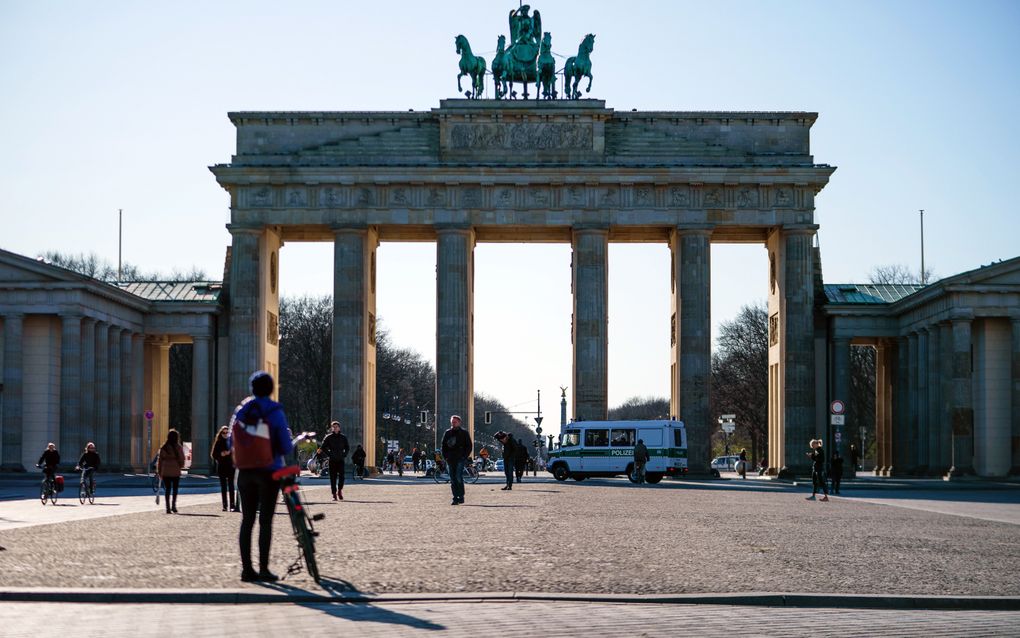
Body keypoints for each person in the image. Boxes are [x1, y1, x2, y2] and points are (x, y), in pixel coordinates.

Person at [229, 370, 294, 582]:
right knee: (266, 521)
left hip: (245, 472)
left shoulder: (241, 411)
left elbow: (231, 442)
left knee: (247, 520)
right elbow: (284, 446)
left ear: (252, 389)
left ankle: (247, 570)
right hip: (269, 471)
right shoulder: (275, 411)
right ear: (272, 389)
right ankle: (264, 569)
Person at [441, 414, 471, 505]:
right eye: (452, 422)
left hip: (460, 458)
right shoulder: (448, 432)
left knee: (458, 477)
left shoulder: (464, 433)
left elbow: (469, 446)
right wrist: (445, 457)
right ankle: (455, 497)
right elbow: (443, 445)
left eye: (455, 422)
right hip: (450, 459)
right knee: (452, 479)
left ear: (459, 422)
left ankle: (461, 496)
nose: (453, 423)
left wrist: (464, 456)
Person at [318, 421, 349, 501]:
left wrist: (344, 454)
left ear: (339, 428)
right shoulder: (328, 437)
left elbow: (347, 447)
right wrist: (329, 454)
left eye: (336, 427)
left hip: (341, 460)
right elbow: (323, 447)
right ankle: (334, 494)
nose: (335, 428)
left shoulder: (343, 437)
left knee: (342, 477)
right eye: (333, 427)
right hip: (332, 460)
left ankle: (339, 491)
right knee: (333, 478)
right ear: (331, 428)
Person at [157, 429, 185, 514]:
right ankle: (174, 506)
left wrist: (159, 471)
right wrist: (180, 466)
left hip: (165, 470)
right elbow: (182, 458)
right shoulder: (178, 447)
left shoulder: (164, 447)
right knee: (175, 489)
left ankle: (167, 508)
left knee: (167, 489)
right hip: (175, 469)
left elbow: (160, 460)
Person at [210, 426, 237, 512]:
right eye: (223, 433)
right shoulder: (218, 442)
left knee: (231, 486)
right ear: (220, 434)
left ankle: (232, 505)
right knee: (223, 487)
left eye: (227, 433)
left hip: (231, 467)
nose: (225, 434)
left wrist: (231, 453)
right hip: (222, 466)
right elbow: (213, 455)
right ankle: (225, 505)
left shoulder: (232, 442)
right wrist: (221, 454)